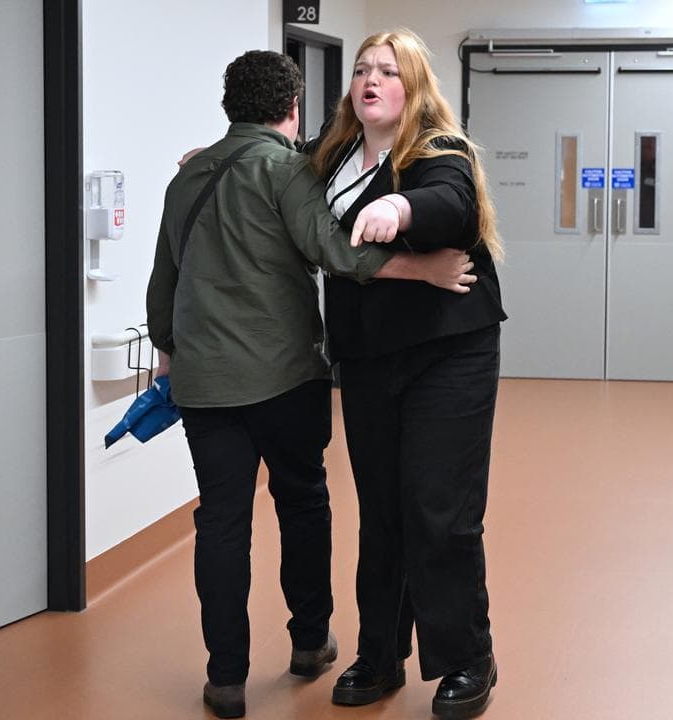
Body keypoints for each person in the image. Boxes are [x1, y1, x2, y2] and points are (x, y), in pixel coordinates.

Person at [145, 49, 477, 720]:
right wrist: (423, 271)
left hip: (204, 384)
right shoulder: (287, 171)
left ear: (229, 106)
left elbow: (163, 282)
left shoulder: (188, 177)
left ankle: (226, 677)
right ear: (293, 108)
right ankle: (308, 641)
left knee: (221, 522)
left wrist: (168, 351)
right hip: (285, 377)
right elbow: (335, 249)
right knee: (301, 505)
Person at [305, 29, 506, 720]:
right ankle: (380, 654)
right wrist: (221, 159)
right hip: (367, 355)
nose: (371, 80)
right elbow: (279, 167)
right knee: (383, 510)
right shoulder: (333, 154)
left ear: (413, 86)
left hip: (448, 351)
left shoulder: (439, 149)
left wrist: (399, 206)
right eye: (362, 69)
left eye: (388, 71)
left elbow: (451, 202)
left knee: (439, 510)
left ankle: (468, 658)